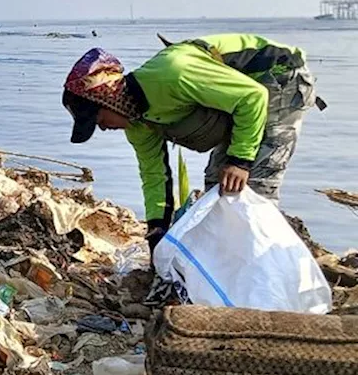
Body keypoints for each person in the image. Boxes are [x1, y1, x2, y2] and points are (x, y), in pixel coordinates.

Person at [62, 35, 324, 254]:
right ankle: (230, 262)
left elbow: (253, 97)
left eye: (98, 119)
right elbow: (155, 176)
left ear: (110, 99)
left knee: (254, 187)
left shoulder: (173, 74)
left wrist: (240, 160)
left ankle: (271, 268)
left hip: (278, 78)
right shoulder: (138, 124)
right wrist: (157, 232)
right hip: (242, 103)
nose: (103, 128)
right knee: (218, 187)